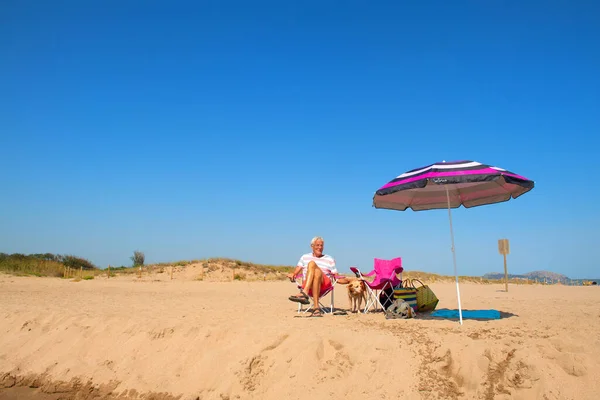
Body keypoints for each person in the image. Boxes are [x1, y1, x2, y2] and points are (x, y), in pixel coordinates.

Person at [287, 236, 349, 316]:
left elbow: (337, 278)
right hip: (308, 285)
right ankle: (316, 308)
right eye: (317, 245)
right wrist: (293, 275)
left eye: (321, 245)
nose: (320, 247)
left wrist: (350, 280)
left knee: (312, 264)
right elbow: (295, 272)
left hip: (324, 285)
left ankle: (304, 293)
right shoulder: (304, 257)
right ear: (312, 246)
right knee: (316, 272)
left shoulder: (329, 259)